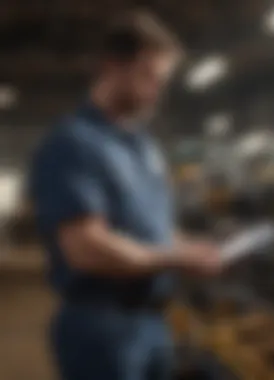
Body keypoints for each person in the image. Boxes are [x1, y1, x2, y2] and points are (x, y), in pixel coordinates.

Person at [29, 11, 223, 380]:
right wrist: (176, 258)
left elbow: (157, 231)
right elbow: (86, 247)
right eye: (148, 76)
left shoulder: (143, 149)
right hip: (102, 326)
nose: (157, 91)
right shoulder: (73, 144)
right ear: (112, 66)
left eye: (162, 81)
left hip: (152, 322)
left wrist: (198, 248)